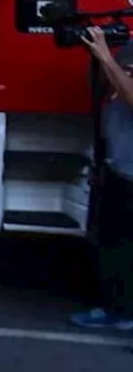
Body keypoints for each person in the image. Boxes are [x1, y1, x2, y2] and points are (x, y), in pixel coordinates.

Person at [70, 26, 133, 331]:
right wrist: (99, 61)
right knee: (114, 244)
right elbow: (108, 91)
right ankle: (118, 311)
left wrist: (106, 56)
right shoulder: (130, 46)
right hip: (118, 163)